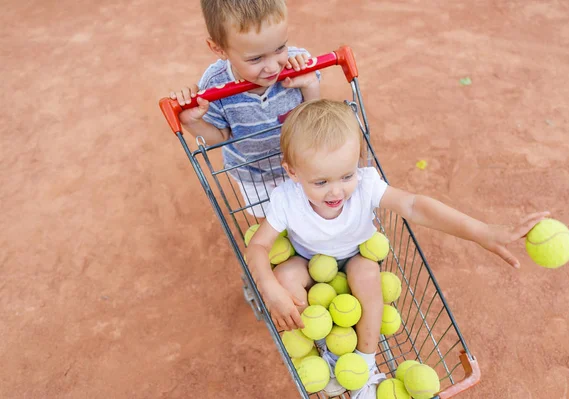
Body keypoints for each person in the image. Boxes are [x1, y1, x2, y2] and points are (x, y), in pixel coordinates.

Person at [245, 99, 549, 398]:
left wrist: (482, 231)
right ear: (293, 172)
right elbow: (259, 245)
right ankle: (325, 345)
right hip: (307, 259)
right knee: (284, 275)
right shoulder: (287, 199)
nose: (336, 191)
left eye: (347, 176)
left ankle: (363, 363)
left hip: (353, 256)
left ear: (358, 165)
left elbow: (415, 205)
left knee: (367, 271)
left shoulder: (366, 186)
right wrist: (270, 289)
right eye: (321, 181)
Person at [170, 0, 320, 218]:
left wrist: (310, 85)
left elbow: (314, 117)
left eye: (280, 48)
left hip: (302, 164)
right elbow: (220, 138)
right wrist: (192, 122)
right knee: (272, 225)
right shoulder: (213, 86)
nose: (272, 67)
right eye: (256, 58)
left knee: (314, 215)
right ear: (219, 49)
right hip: (254, 174)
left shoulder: (297, 64)